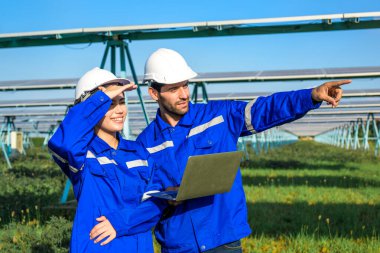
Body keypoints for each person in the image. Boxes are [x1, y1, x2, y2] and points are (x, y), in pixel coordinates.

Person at [135, 48, 350, 253]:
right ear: (154, 93)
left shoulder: (218, 116)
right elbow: (140, 194)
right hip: (178, 244)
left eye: (185, 86)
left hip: (222, 239)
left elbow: (264, 109)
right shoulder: (144, 144)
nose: (183, 95)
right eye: (173, 89)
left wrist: (310, 96)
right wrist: (164, 197)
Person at [48, 67, 163, 253]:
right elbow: (63, 143)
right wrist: (100, 99)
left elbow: (157, 202)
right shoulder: (83, 154)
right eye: (110, 104)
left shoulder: (139, 152)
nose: (119, 111)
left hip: (138, 246)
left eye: (122, 102)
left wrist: (119, 223)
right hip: (97, 246)